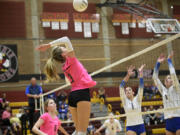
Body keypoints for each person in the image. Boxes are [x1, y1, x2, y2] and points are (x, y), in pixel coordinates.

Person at [36, 36, 96, 135]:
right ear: (63, 54)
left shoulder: (64, 67)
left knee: (78, 131)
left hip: (73, 95)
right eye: (63, 48)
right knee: (82, 131)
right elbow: (66, 39)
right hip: (82, 93)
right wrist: (49, 45)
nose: (65, 47)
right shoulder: (71, 59)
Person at [152, 52, 180, 135]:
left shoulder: (177, 87)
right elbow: (155, 77)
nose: (170, 79)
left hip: (178, 118)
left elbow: (173, 74)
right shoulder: (163, 90)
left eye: (170, 78)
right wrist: (158, 63)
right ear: (164, 82)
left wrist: (169, 61)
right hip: (168, 121)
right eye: (167, 78)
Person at [120, 64, 146, 135]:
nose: (127, 91)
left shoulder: (138, 99)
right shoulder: (125, 101)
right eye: (126, 90)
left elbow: (141, 87)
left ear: (133, 92)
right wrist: (128, 75)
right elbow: (121, 86)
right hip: (130, 126)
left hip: (140, 125)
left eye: (129, 90)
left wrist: (140, 73)